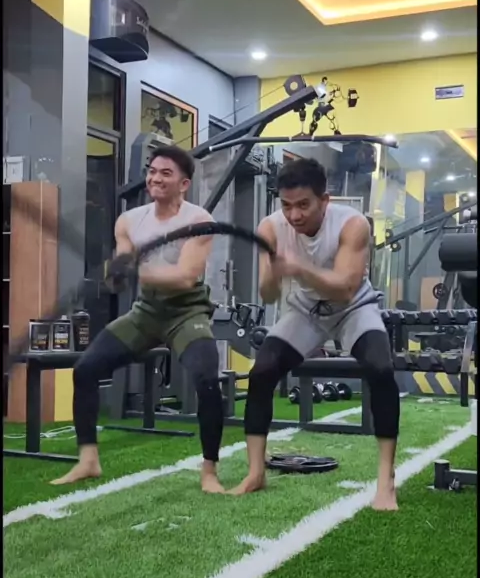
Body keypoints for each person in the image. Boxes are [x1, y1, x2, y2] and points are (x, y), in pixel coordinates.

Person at [52, 144, 226, 494]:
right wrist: (115, 273)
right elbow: (123, 265)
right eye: (152, 171)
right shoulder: (129, 221)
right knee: (85, 369)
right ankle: (88, 460)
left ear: (184, 184)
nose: (155, 178)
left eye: (166, 173)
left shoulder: (198, 221)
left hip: (186, 311)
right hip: (146, 311)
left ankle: (209, 471)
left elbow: (184, 277)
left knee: (207, 378)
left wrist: (136, 270)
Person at [231, 157, 400, 511]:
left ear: (325, 200)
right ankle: (256, 473)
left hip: (354, 308)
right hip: (305, 310)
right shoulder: (270, 227)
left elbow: (345, 288)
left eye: (303, 205)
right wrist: (272, 271)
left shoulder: (352, 224)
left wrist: (298, 269)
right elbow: (268, 295)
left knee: (381, 369)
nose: (294, 215)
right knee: (262, 372)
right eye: (286, 205)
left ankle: (386, 482)